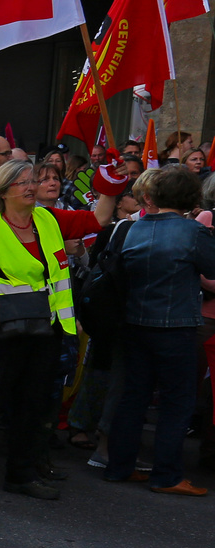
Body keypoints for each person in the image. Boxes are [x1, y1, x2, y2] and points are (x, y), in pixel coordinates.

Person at [0, 159, 114, 502]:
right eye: (23, 182)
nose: (32, 186)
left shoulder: (48, 219)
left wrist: (111, 184)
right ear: (4, 192)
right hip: (1, 334)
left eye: (33, 180)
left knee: (32, 407)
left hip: (46, 332)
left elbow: (98, 218)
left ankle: (20, 475)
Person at [104, 165, 215, 495]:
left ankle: (118, 467)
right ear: (190, 197)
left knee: (133, 398)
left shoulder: (130, 228)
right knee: (175, 403)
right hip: (175, 326)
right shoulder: (193, 232)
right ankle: (166, 475)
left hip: (134, 323)